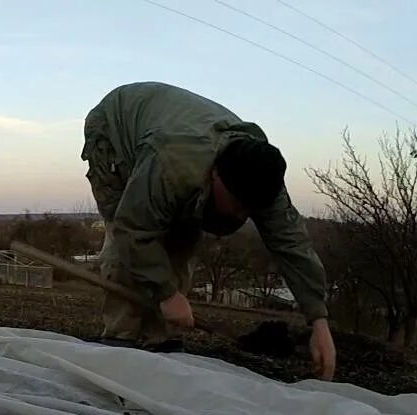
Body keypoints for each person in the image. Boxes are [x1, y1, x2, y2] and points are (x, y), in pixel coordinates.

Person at [81, 82, 336, 380]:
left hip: (176, 145)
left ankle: (157, 340)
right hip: (116, 129)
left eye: (250, 210)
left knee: (181, 236)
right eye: (238, 204)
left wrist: (318, 320)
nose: (243, 215)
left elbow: (292, 245)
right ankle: (120, 340)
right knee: (129, 238)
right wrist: (165, 293)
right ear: (216, 175)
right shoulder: (172, 164)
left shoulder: (262, 178)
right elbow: (132, 229)